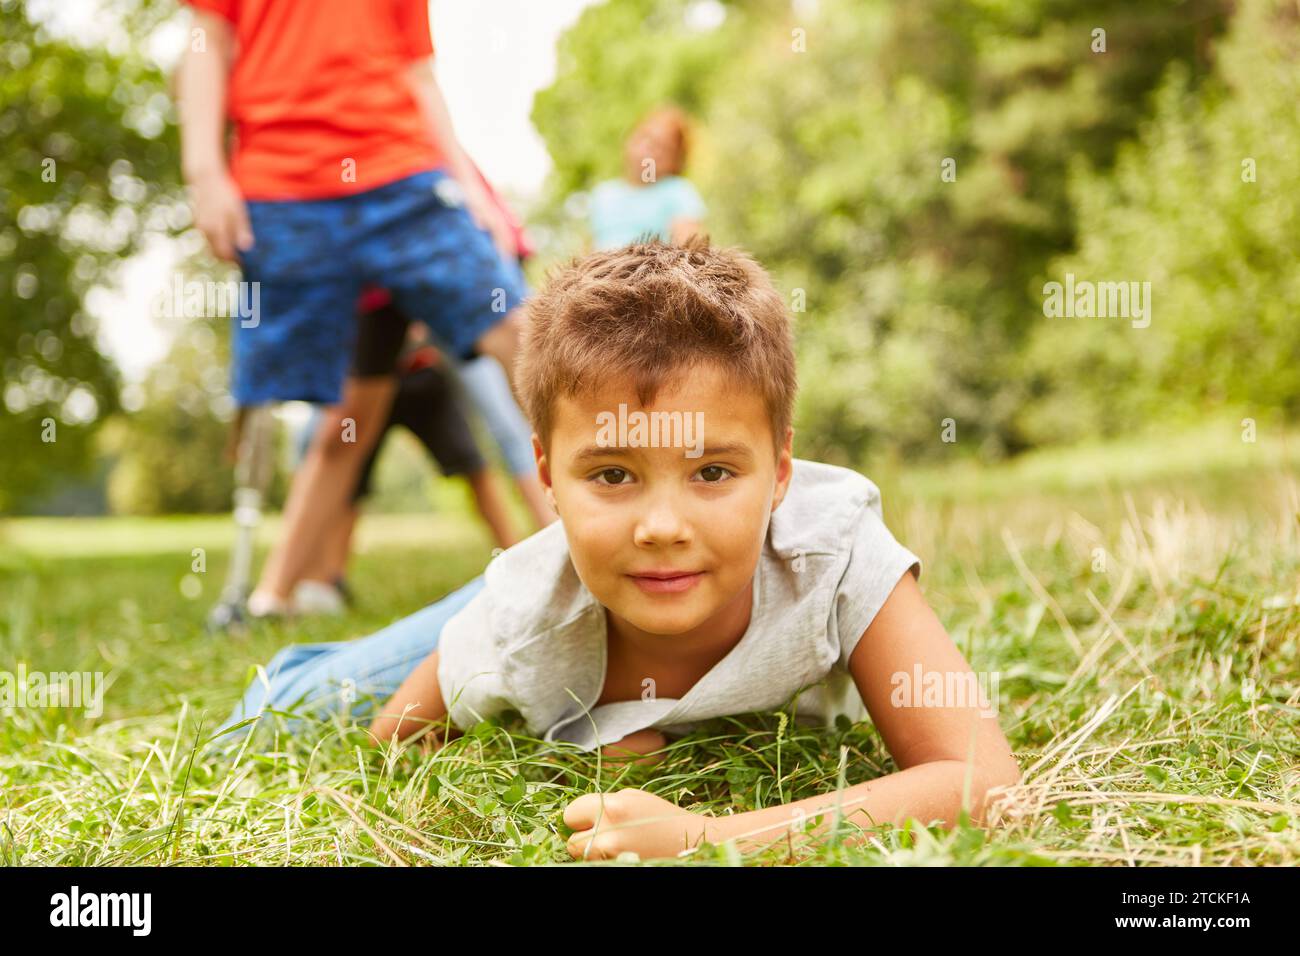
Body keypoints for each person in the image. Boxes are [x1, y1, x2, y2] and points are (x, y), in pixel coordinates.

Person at [215, 236, 1022, 861]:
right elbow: (393, 749)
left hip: (586, 572)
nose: (663, 525)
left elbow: (985, 782)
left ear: (780, 473)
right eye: (612, 473)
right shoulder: (519, 619)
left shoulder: (833, 548)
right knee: (270, 720)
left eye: (711, 471)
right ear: (547, 478)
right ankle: (306, 663)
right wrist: (549, 741)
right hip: (551, 592)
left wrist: (713, 839)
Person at [176, 0, 533, 609]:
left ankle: (594, 548)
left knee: (528, 340)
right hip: (286, 188)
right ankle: (268, 596)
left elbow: (419, 73)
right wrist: (205, 171)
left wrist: (471, 188)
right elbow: (206, 41)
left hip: (403, 176)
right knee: (340, 422)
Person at [290, 295, 525, 616]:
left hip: (424, 375)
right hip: (367, 384)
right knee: (349, 478)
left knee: (473, 466)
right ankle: (331, 578)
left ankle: (513, 559)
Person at [587, 106, 707, 250]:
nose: (650, 151)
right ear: (629, 139)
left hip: (652, 269)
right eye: (646, 138)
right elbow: (590, 249)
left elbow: (690, 248)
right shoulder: (603, 194)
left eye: (663, 148)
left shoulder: (677, 191)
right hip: (603, 270)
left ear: (675, 162)